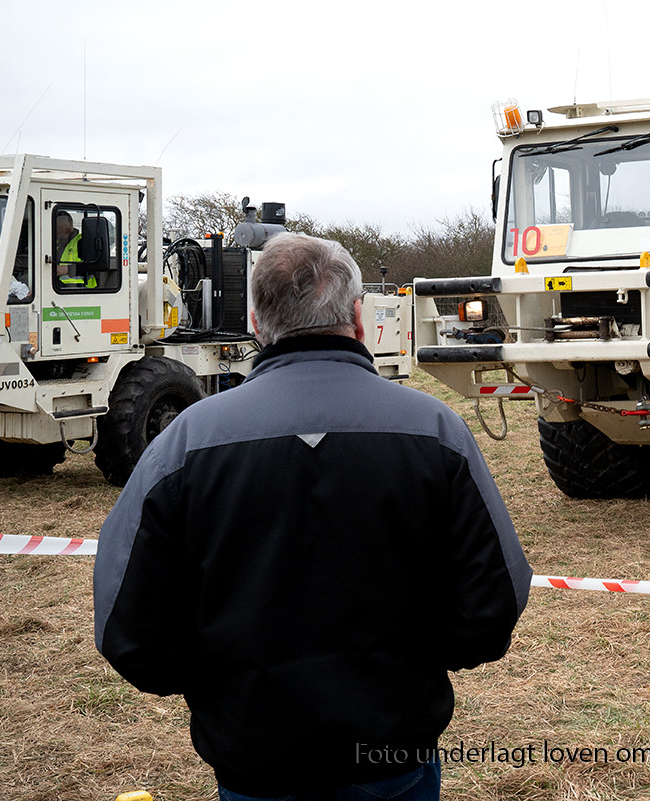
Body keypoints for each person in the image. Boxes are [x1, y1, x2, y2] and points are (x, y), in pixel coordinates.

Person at [94, 233, 532, 801]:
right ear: (358, 317)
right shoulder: (434, 430)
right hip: (392, 755)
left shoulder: (185, 444)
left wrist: (221, 686)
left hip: (255, 761)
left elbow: (126, 622)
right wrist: (411, 668)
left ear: (256, 322)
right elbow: (494, 597)